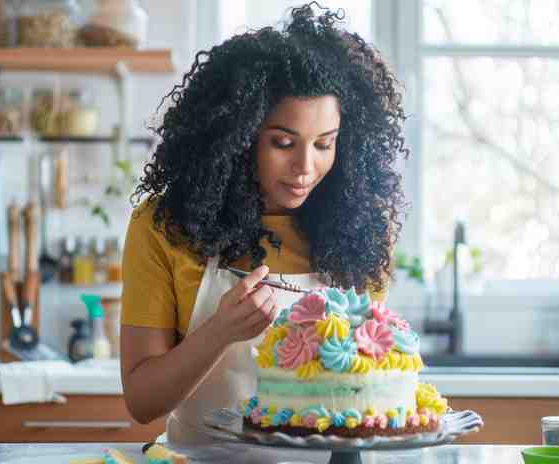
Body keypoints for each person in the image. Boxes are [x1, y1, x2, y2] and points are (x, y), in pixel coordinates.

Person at [120, 3, 409, 445]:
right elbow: (142, 402)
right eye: (283, 142)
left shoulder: (362, 233)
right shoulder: (165, 227)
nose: (305, 167)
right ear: (236, 136)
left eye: (324, 144)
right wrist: (220, 332)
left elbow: (362, 387)